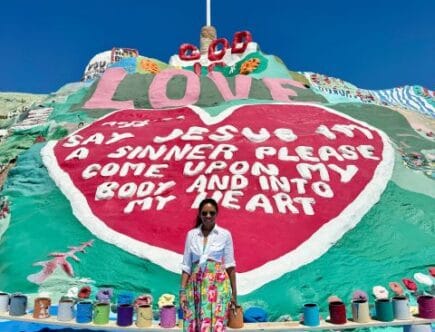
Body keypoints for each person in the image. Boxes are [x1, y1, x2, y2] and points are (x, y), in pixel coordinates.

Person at [180, 198, 237, 332]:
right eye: (204, 213)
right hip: (195, 288)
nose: (208, 216)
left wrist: (234, 294)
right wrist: (182, 292)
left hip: (218, 287)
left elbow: (230, 266)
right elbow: (186, 266)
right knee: (194, 324)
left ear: (216, 214)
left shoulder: (225, 235)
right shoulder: (191, 235)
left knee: (216, 324)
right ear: (200, 214)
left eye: (212, 213)